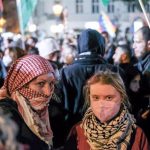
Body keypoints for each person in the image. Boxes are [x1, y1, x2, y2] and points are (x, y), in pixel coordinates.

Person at [59, 28, 125, 136]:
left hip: (74, 133)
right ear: (101, 46)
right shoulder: (115, 71)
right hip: (108, 133)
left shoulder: (65, 73)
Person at [64, 71, 150, 150]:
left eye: (109, 98)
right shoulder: (78, 131)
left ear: (121, 98)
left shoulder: (137, 135)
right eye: (96, 98)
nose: (101, 104)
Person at [0, 54, 56, 150]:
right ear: (20, 85)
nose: (48, 92)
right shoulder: (6, 114)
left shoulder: (48, 108)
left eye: (51, 83)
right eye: (40, 84)